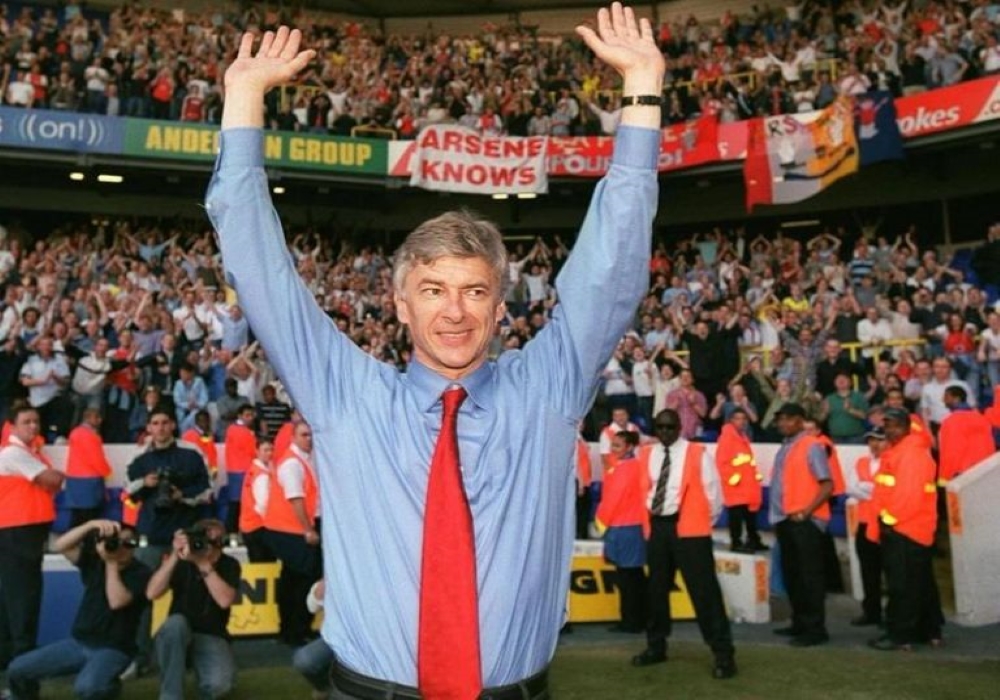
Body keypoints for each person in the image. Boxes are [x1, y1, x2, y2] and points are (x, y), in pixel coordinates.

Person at [206, 5, 662, 696]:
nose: (454, 311)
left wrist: (643, 90)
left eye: (475, 291)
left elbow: (613, 271)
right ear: (400, 304)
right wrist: (243, 98)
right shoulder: (343, 393)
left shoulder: (548, 388)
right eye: (432, 290)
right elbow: (258, 269)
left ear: (500, 307)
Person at [632, 409, 736, 679]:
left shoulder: (697, 453)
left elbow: (714, 495)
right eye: (660, 427)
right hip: (658, 528)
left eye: (670, 427)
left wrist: (698, 522)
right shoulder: (646, 454)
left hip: (691, 531)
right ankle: (656, 646)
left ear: (680, 427)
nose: (665, 432)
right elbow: (645, 490)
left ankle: (723, 654)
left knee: (705, 593)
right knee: (656, 592)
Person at [5, 519, 151, 700]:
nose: (121, 548)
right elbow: (60, 546)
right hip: (79, 642)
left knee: (87, 688)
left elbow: (117, 601)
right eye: (116, 542)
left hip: (114, 648)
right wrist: (91, 525)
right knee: (17, 668)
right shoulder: (95, 562)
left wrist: (111, 563)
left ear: (135, 546)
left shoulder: (142, 573)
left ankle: (109, 688)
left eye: (128, 543)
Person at [124, 408, 213, 674]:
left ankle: (188, 655)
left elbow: (207, 492)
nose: (160, 428)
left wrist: (180, 496)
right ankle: (139, 657)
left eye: (165, 423)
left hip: (185, 537)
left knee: (189, 598)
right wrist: (145, 483)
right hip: (152, 537)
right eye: (155, 423)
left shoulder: (191, 454)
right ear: (149, 428)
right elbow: (128, 492)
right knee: (142, 599)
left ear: (173, 425)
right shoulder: (141, 458)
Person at [867, 408, 943, 651]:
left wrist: (888, 521)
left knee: (902, 585)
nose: (890, 430)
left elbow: (907, 494)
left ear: (907, 427)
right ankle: (927, 631)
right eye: (887, 425)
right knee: (920, 582)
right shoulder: (906, 450)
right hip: (913, 527)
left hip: (905, 528)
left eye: (895, 425)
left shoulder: (910, 453)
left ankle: (900, 635)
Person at [0, 405, 64, 671]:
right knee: (24, 601)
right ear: (13, 426)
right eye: (26, 422)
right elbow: (52, 479)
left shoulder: (29, 453)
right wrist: (57, 477)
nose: (33, 426)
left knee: (13, 600)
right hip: (19, 533)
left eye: (36, 421)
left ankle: (12, 664)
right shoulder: (14, 453)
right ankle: (23, 668)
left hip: (21, 532)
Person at [146, 519, 240, 699]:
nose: (207, 545)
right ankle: (170, 695)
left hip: (211, 634)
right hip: (178, 632)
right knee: (175, 625)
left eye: (214, 540)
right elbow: (152, 593)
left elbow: (224, 601)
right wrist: (175, 555)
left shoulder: (229, 564)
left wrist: (203, 563)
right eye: (203, 538)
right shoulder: (181, 561)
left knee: (220, 685)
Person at [769, 403, 834, 647]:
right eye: (780, 419)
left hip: (804, 521)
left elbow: (827, 484)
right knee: (793, 575)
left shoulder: (811, 445)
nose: (783, 423)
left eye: (788, 419)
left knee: (809, 577)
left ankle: (815, 629)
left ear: (800, 420)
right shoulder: (787, 447)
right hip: (787, 519)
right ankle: (800, 622)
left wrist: (807, 511)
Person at [264, 421, 321, 647]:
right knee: (304, 578)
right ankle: (296, 629)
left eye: (311, 434)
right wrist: (308, 529)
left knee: (292, 579)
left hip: (290, 528)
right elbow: (296, 499)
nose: (309, 439)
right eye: (304, 435)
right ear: (293, 437)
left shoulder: (303, 459)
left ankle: (291, 630)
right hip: (291, 529)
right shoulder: (292, 464)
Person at [594, 430, 647, 634]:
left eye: (617, 445)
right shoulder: (635, 466)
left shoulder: (623, 469)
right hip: (634, 526)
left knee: (627, 578)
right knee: (635, 576)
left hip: (622, 527)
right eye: (613, 445)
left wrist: (601, 523)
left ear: (630, 447)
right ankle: (640, 619)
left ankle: (631, 621)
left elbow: (612, 500)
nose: (613, 449)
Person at [848, 428, 886, 627]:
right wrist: (873, 490)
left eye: (879, 439)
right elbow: (850, 488)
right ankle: (871, 612)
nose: (874, 444)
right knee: (868, 570)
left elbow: (886, 491)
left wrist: (865, 487)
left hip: (885, 522)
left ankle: (892, 614)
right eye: (871, 440)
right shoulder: (861, 462)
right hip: (864, 522)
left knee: (890, 570)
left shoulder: (891, 462)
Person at [715, 409, 764, 552]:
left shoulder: (742, 438)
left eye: (743, 419)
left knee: (749, 515)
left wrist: (754, 476)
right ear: (731, 420)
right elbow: (721, 462)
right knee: (736, 515)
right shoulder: (727, 438)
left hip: (747, 484)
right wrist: (732, 478)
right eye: (738, 418)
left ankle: (753, 539)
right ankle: (736, 543)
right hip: (737, 485)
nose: (741, 422)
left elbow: (747, 461)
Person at [65, 408, 113, 527]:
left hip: (73, 480)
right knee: (90, 520)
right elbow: (96, 459)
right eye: (97, 417)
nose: (100, 420)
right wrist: (108, 472)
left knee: (77, 518)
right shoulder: (90, 435)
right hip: (89, 483)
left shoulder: (75, 433)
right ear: (88, 417)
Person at [937, 386, 995, 485]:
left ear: (957, 399)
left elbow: (951, 452)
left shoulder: (952, 421)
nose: (942, 399)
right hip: (985, 472)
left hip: (964, 475)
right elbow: (990, 445)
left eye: (946, 396)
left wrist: (944, 479)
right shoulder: (980, 418)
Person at [292, 579, 335, 700]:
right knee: (304, 660)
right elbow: (312, 607)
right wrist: (320, 588)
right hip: (336, 639)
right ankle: (325, 687)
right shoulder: (336, 576)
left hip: (370, 640)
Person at [238, 436, 275, 563]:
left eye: (271, 450)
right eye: (266, 450)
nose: (269, 453)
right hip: (259, 526)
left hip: (248, 524)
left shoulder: (253, 470)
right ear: (257, 451)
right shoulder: (262, 475)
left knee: (256, 564)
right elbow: (263, 504)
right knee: (265, 565)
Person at [222, 404, 256, 534]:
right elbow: (252, 451)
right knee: (238, 503)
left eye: (251, 415)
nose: (250, 418)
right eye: (247, 415)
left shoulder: (232, 429)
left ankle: (232, 531)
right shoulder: (243, 432)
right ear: (240, 416)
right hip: (242, 470)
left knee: (235, 502)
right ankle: (234, 530)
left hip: (235, 470)